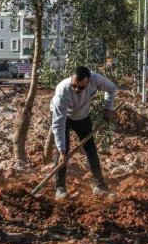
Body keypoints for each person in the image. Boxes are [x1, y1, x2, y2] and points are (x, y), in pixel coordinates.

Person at [50, 66, 117, 200]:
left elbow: (111, 88)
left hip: (83, 117)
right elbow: (58, 125)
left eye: (81, 88)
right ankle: (60, 188)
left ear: (89, 81)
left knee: (91, 150)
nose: (76, 90)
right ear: (71, 79)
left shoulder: (96, 79)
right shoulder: (62, 92)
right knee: (62, 153)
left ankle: (99, 186)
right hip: (64, 118)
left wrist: (108, 109)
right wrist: (62, 150)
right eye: (74, 86)